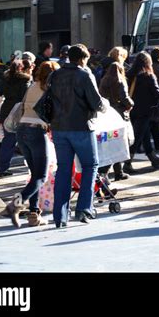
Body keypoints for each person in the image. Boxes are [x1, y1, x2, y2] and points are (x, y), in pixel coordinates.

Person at [49, 43, 108, 227]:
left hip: (59, 127)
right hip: (81, 126)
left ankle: (59, 215)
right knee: (90, 165)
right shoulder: (84, 74)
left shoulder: (55, 74)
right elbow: (96, 101)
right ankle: (83, 209)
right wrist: (105, 106)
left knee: (64, 170)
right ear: (83, 59)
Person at [5, 61, 60, 228]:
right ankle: (15, 204)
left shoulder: (32, 86)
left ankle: (33, 214)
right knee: (41, 176)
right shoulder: (51, 90)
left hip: (22, 130)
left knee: (34, 174)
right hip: (37, 131)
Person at [125, 51, 159, 173]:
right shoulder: (149, 76)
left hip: (133, 109)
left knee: (145, 134)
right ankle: (127, 163)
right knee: (138, 137)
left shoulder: (130, 75)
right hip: (145, 110)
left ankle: (153, 158)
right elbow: (157, 92)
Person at [98, 57, 134, 181]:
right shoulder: (120, 81)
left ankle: (115, 172)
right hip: (119, 114)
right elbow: (125, 98)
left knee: (110, 143)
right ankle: (112, 172)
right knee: (121, 143)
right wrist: (131, 104)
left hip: (107, 113)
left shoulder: (104, 80)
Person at [0, 58, 31, 178]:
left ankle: (2, 167)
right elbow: (25, 97)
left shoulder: (6, 79)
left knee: (8, 140)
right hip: (18, 113)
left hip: (6, 111)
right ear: (21, 68)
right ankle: (33, 168)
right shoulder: (25, 80)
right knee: (24, 140)